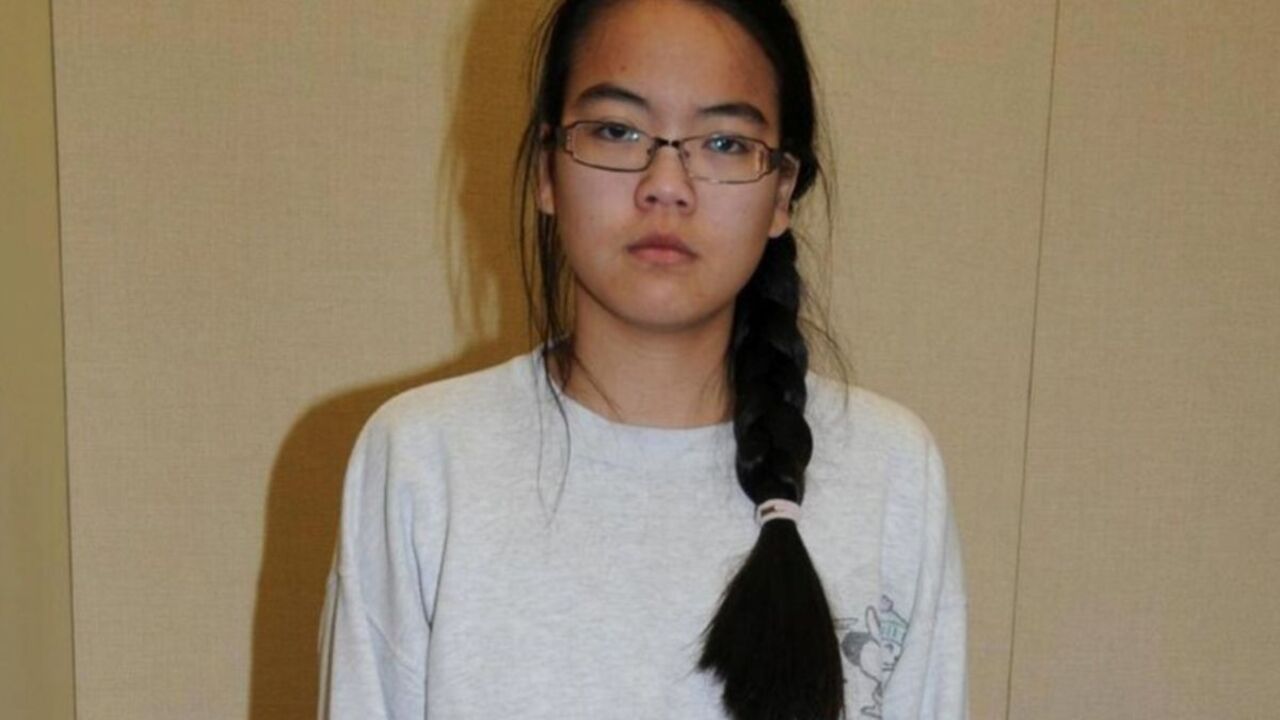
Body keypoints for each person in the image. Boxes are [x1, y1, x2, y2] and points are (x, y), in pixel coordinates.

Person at [318, 0, 968, 718]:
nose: (666, 184)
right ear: (547, 171)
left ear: (782, 191)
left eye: (724, 142)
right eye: (617, 130)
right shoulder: (424, 460)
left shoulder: (891, 471)